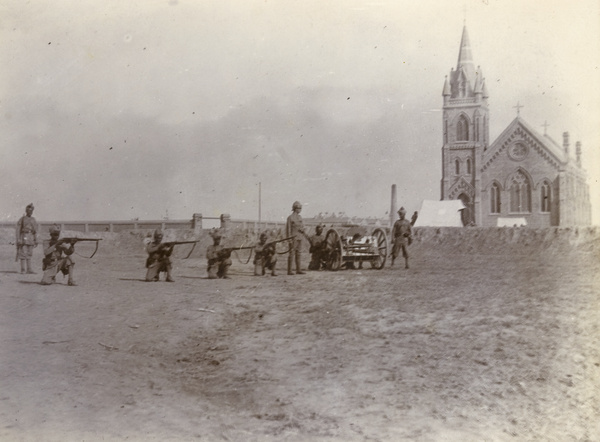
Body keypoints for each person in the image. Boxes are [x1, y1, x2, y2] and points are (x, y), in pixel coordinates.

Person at [16, 203, 38, 274]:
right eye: (29, 211)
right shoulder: (22, 219)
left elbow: (35, 231)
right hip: (24, 237)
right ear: (26, 211)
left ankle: (29, 269)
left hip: (31, 237)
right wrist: (18, 239)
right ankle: (23, 269)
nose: (30, 212)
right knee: (23, 253)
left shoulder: (33, 219)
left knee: (29, 254)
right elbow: (18, 230)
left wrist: (36, 239)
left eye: (31, 211)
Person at [286, 201, 306, 275]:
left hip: (300, 238)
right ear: (295, 208)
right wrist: (289, 239)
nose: (300, 209)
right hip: (293, 238)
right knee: (292, 253)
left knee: (299, 254)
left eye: (300, 208)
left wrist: (303, 229)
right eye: (299, 208)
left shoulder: (300, 217)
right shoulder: (290, 218)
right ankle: (289, 270)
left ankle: (298, 269)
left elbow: (302, 226)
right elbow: (288, 229)